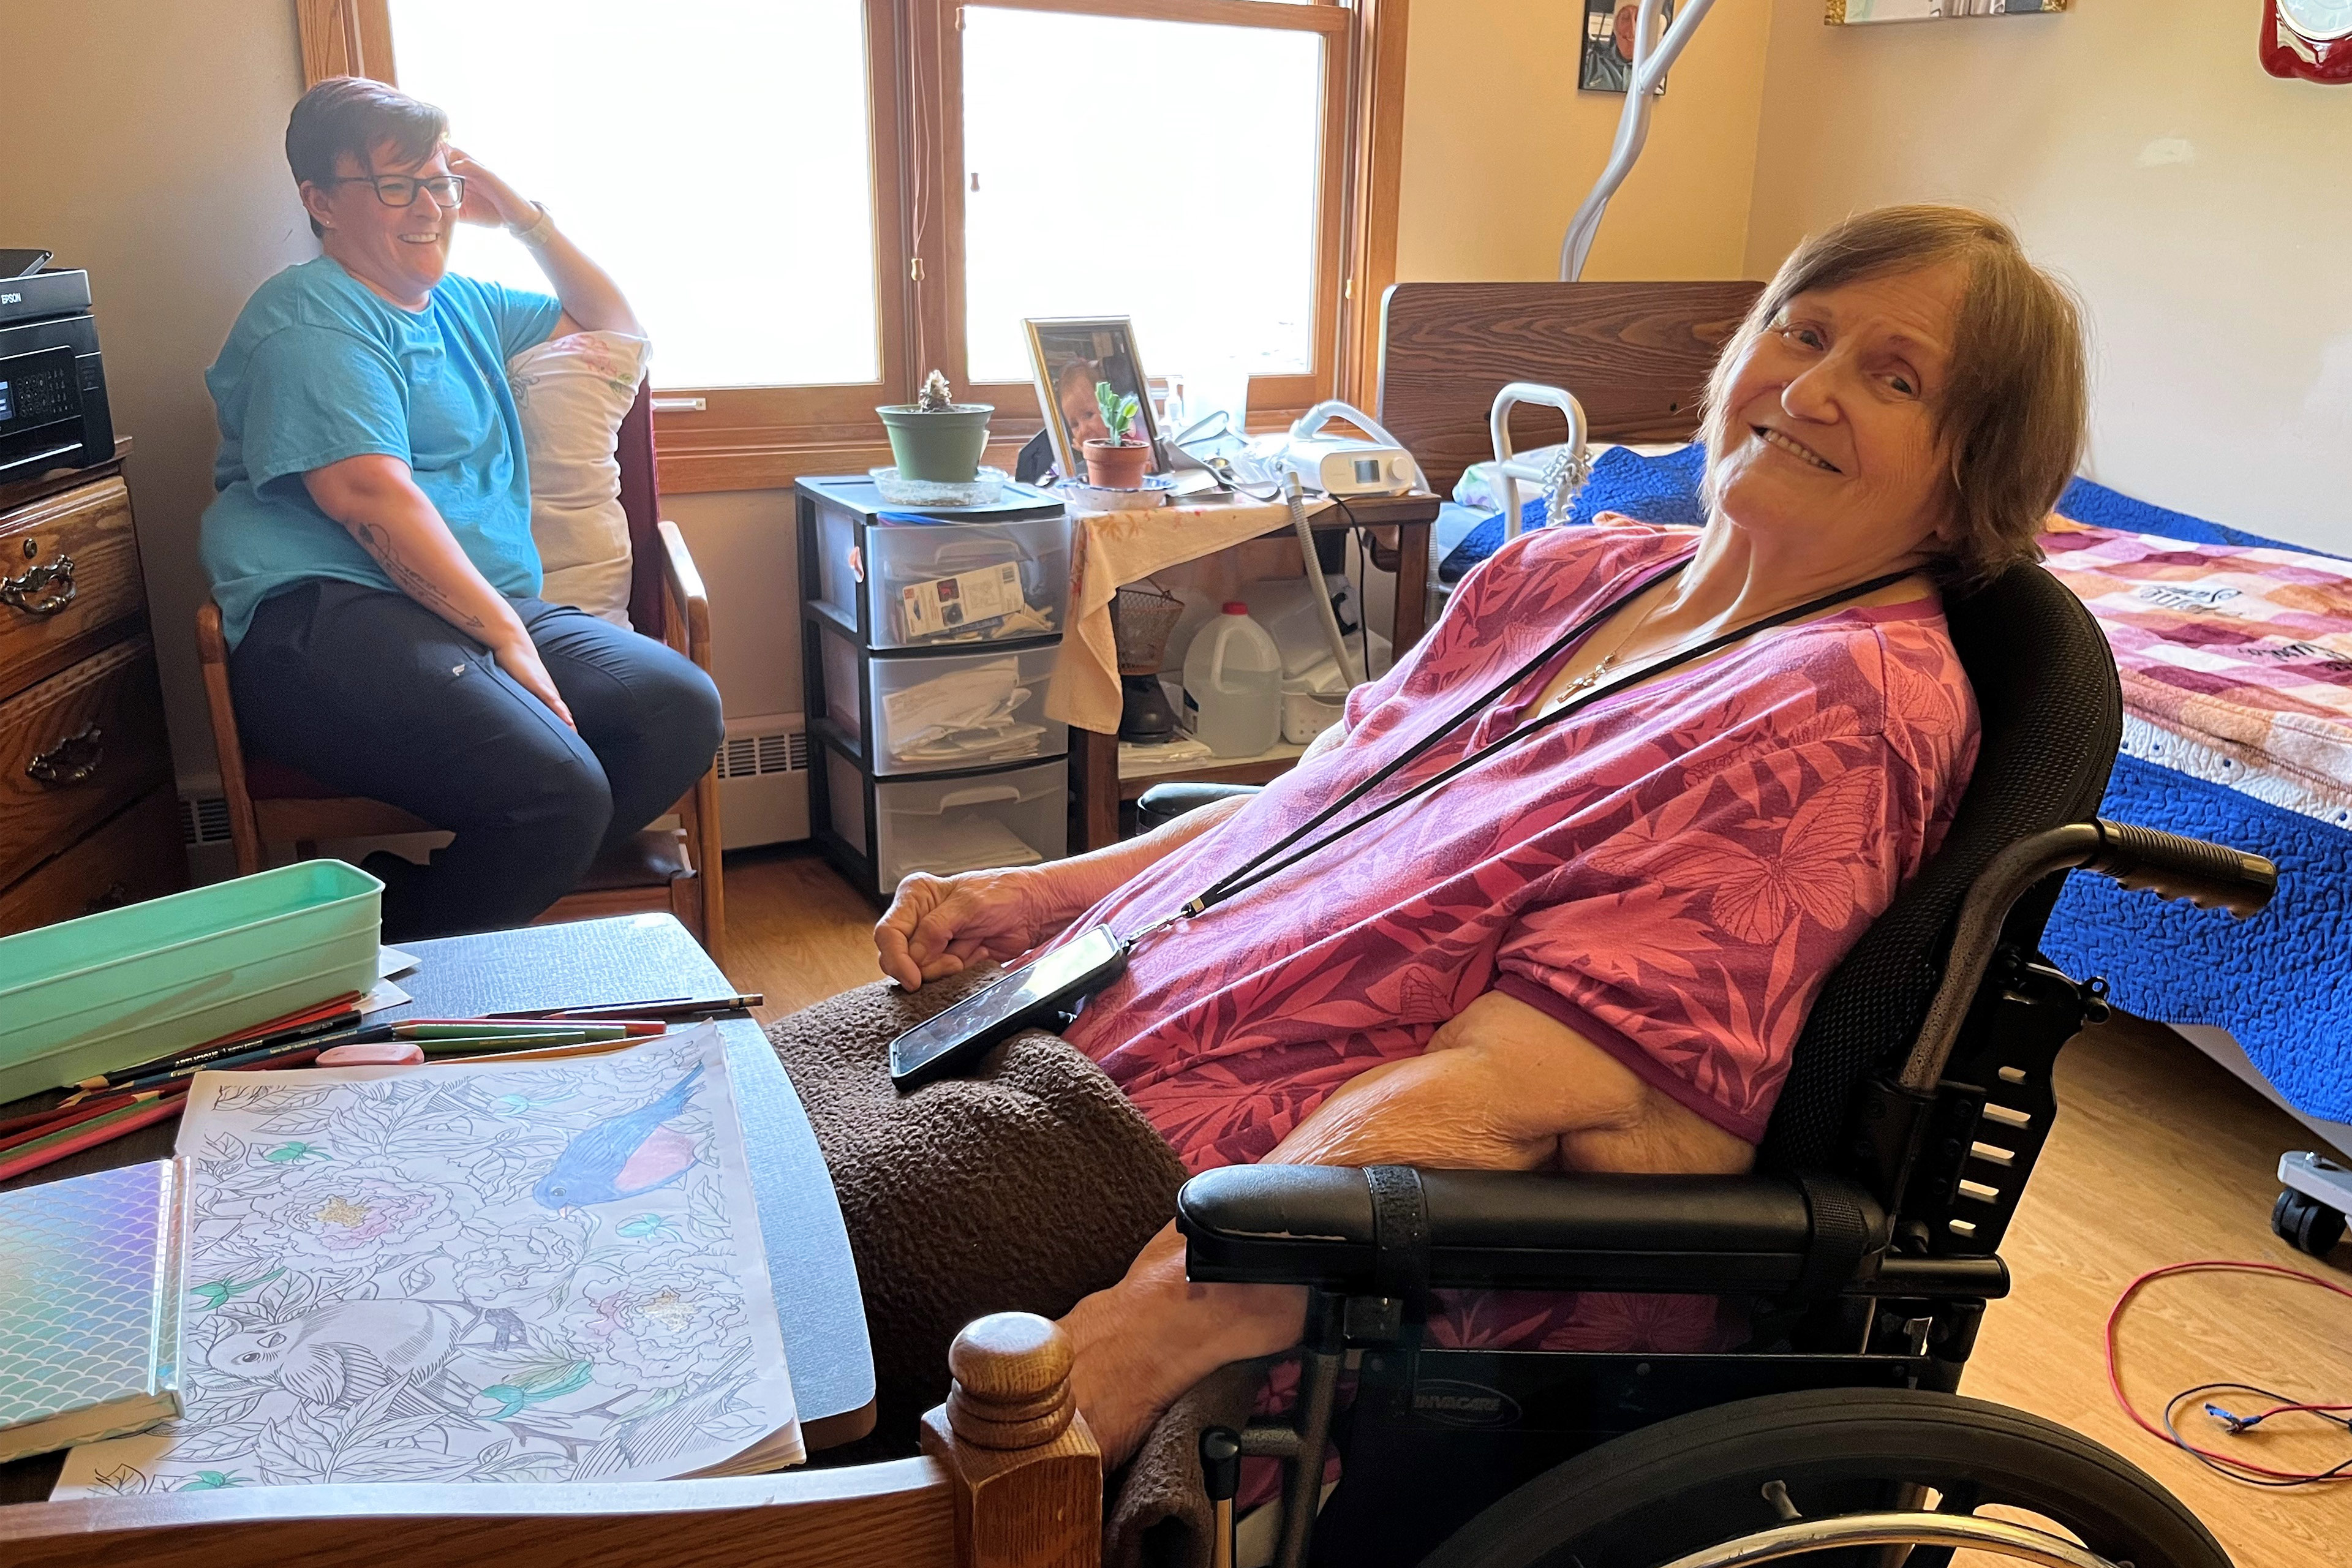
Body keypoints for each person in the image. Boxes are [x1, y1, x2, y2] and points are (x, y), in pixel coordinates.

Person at [867, 205, 2088, 1463]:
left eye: (1895, 379)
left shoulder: (1838, 707)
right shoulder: (1569, 571)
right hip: (1050, 1034)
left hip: (1237, 1215)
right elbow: (1316, 802)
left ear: (1969, 480)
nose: (1815, 388)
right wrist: (1032, 904)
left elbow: (1514, 1096)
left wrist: (1152, 1321)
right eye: (1803, 329)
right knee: (719, 1141)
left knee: (765, 1285)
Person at [201, 78, 723, 941]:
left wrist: (524, 218)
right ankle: (353, 971)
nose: (428, 207)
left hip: (478, 608)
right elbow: (367, 498)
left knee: (678, 709)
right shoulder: (309, 317)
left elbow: (613, 324)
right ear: (320, 202)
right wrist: (511, 641)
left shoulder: (464, 303)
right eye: (395, 185)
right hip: (330, 615)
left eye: (438, 180)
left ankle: (420, 916)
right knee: (557, 791)